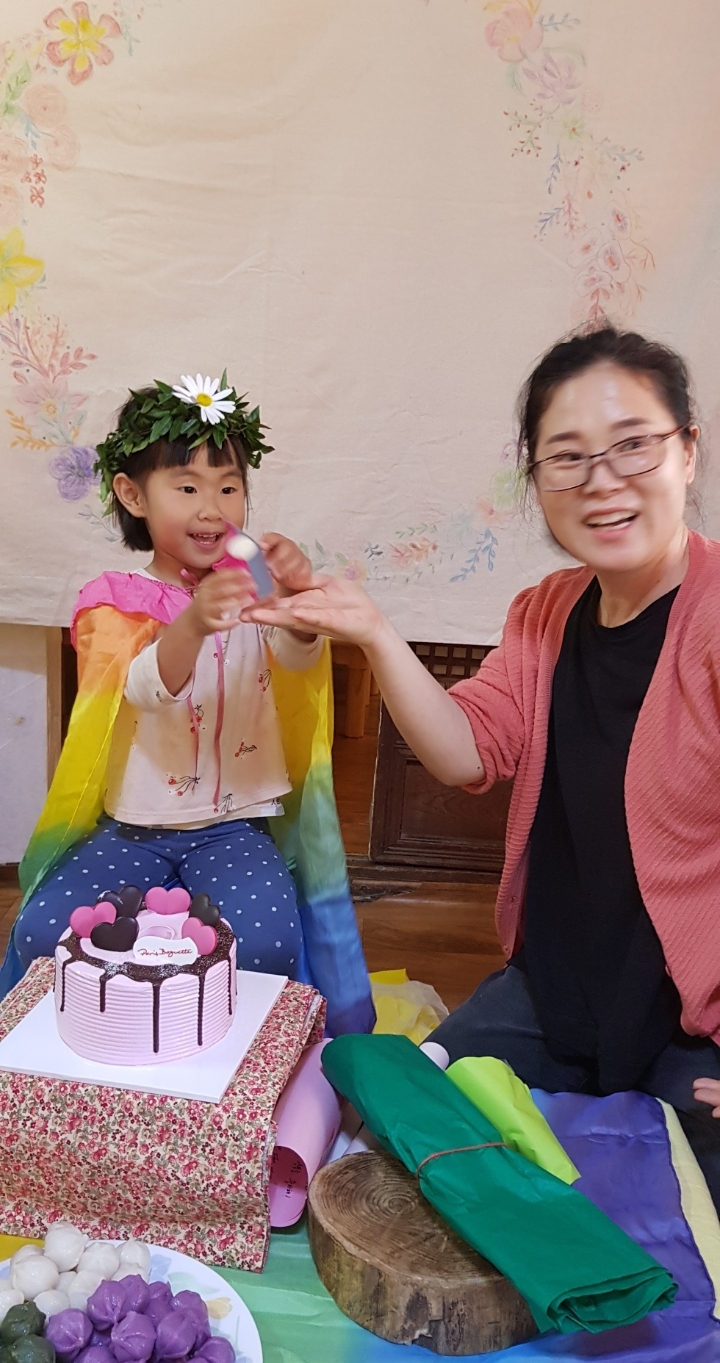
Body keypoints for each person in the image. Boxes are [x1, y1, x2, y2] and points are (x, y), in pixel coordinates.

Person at [240, 326, 720, 1207]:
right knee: (393, 1139)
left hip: (691, 1020)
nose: (602, 481)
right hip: (552, 989)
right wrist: (374, 631)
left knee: (670, 1225)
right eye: (567, 457)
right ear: (537, 479)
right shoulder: (544, 611)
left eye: (633, 446)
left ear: (687, 452)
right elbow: (465, 752)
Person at [1, 373, 374, 1035]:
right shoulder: (112, 598)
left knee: (264, 945)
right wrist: (194, 623)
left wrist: (296, 605)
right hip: (130, 827)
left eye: (228, 487)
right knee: (43, 933)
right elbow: (143, 689)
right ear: (132, 494)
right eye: (188, 487)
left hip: (235, 827)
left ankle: (228, 1060)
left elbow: (296, 666)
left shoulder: (250, 578)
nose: (212, 508)